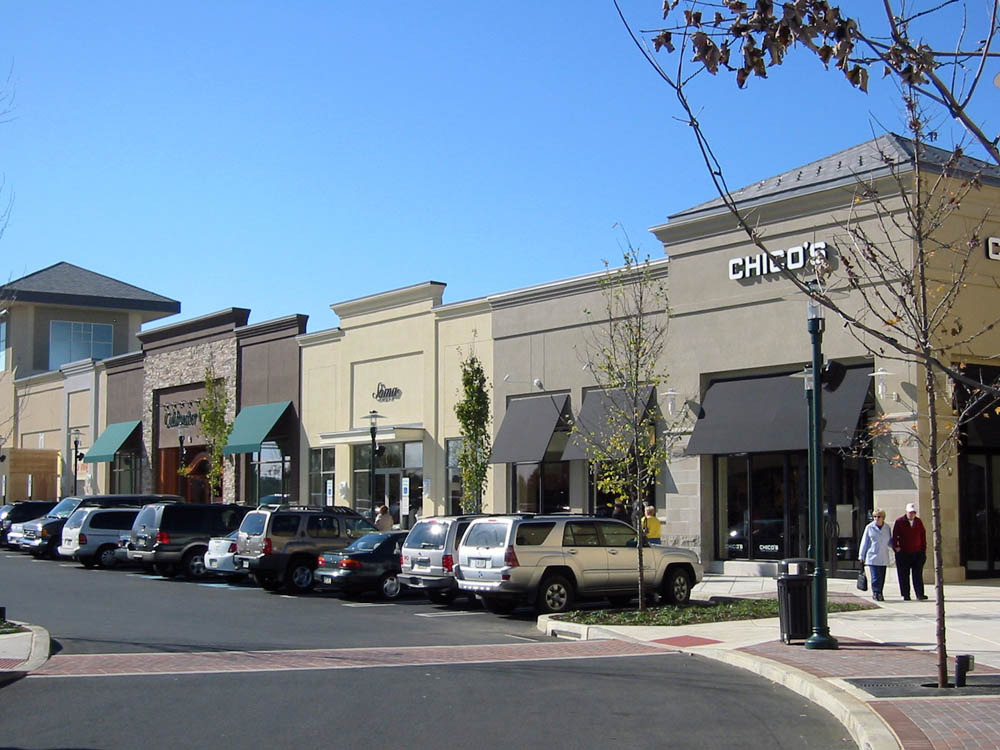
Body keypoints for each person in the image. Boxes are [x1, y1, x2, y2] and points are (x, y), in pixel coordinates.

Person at [892, 502, 928, 601]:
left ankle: (920, 594)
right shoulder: (899, 522)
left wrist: (923, 549)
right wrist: (896, 547)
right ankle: (906, 594)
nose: (912, 514)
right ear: (906, 512)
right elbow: (895, 536)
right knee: (904, 574)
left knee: (917, 574)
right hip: (904, 553)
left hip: (917, 552)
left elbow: (923, 536)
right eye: (910, 512)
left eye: (913, 513)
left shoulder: (918, 522)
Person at [858, 508, 892, 601]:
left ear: (883, 518)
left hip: (883, 556)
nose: (876, 518)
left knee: (882, 577)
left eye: (878, 516)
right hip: (872, 556)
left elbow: (889, 541)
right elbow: (864, 542)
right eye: (875, 516)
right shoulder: (869, 527)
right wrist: (861, 555)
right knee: (875, 577)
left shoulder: (887, 528)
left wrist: (896, 547)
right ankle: (876, 593)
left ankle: (880, 592)